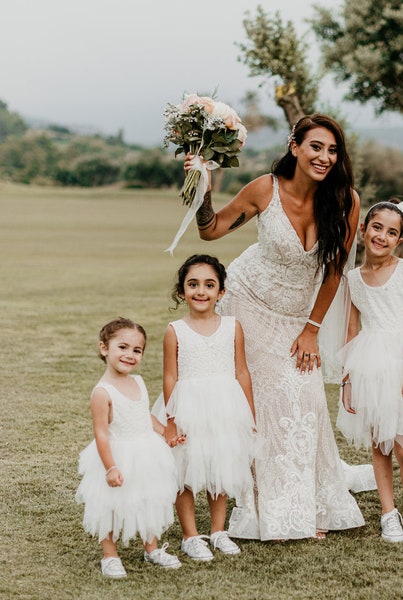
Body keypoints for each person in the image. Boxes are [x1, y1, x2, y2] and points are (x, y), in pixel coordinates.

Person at [184, 113, 365, 540]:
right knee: (262, 406)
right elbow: (210, 231)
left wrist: (312, 328)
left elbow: (335, 272)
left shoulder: (346, 200)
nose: (324, 157)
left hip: (296, 318)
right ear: (295, 147)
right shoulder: (266, 189)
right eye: (315, 147)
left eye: (332, 150)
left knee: (305, 403)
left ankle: (312, 503)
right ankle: (269, 507)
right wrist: (202, 190)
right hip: (247, 303)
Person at [336, 200, 403, 543]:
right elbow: (351, 331)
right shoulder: (353, 279)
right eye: (377, 228)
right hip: (369, 365)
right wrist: (347, 380)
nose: (382, 236)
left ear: (399, 240)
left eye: (392, 232)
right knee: (379, 443)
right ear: (363, 230)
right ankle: (388, 513)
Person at [161, 254, 257, 559]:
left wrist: (249, 415)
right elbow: (170, 376)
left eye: (209, 285)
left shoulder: (232, 326)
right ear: (182, 291)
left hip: (225, 407)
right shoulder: (175, 330)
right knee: (184, 470)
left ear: (221, 292)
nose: (201, 291)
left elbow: (241, 371)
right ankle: (191, 536)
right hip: (187, 407)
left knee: (220, 466)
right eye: (193, 284)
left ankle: (218, 531)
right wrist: (171, 420)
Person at [76, 318, 181, 579]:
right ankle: (110, 556)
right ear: (104, 348)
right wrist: (110, 466)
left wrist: (165, 433)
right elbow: (101, 432)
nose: (130, 355)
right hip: (118, 454)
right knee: (110, 505)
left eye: (137, 350)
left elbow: (143, 415)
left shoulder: (139, 382)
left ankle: (152, 549)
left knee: (149, 498)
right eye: (122, 347)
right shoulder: (102, 392)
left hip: (146, 452)